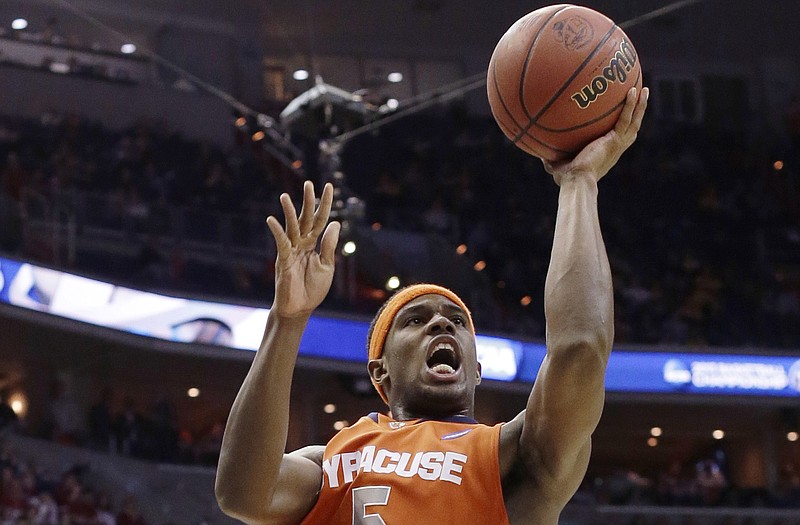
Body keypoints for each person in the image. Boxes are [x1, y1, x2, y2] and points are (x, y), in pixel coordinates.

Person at [215, 86, 649, 524]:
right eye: (415, 319)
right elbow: (243, 494)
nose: (441, 322)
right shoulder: (332, 460)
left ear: (476, 368)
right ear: (379, 371)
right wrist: (286, 321)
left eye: (458, 321)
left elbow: (581, 350)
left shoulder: (512, 457)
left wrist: (578, 182)